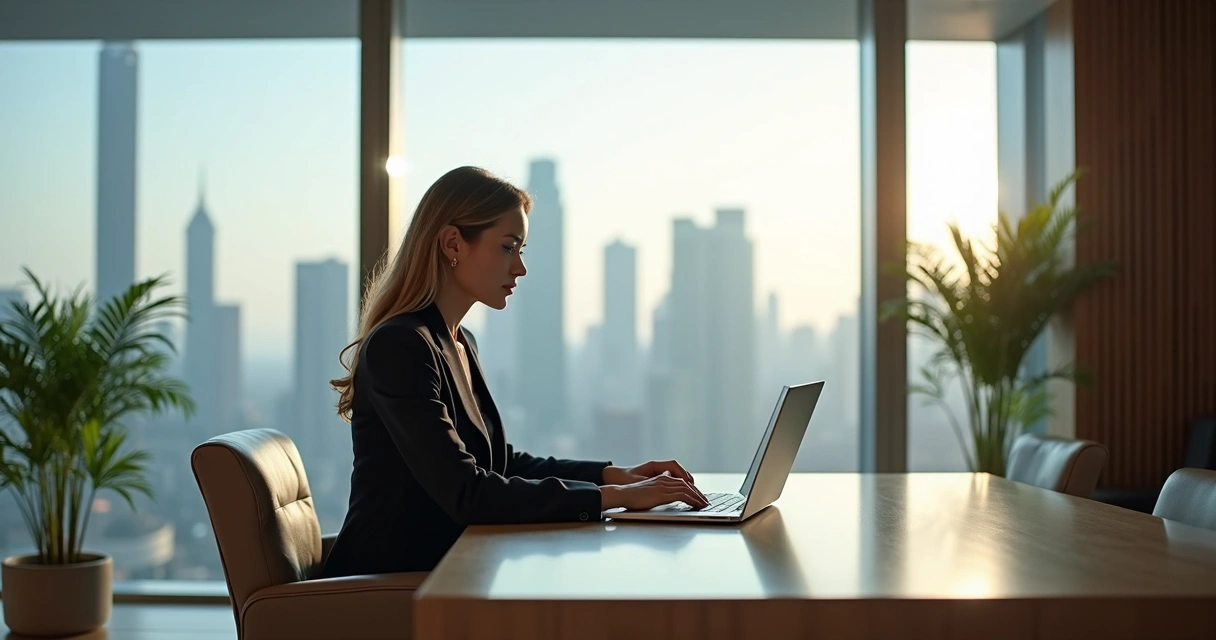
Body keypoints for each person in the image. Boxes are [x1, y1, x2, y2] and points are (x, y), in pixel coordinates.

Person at [322, 166, 709, 577]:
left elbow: (500, 463)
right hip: (389, 585)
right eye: (508, 248)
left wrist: (618, 475)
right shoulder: (401, 346)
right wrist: (615, 496)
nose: (519, 268)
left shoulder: (458, 341)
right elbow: (468, 492)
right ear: (453, 243)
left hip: (451, 571)